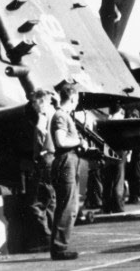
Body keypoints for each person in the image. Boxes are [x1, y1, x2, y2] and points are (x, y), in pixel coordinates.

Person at [50, 82, 83, 260]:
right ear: (72, 98)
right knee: (68, 206)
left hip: (68, 160)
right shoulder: (61, 116)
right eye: (76, 99)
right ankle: (59, 248)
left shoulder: (62, 115)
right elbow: (60, 141)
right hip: (65, 160)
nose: (77, 102)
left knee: (67, 205)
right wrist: (79, 142)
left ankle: (59, 246)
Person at [26, 88, 58, 251]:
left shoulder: (43, 116)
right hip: (54, 160)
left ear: (41, 101)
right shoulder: (56, 114)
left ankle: (45, 239)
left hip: (44, 161)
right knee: (51, 201)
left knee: (36, 204)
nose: (32, 105)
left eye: (34, 102)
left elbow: (40, 131)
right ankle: (54, 239)